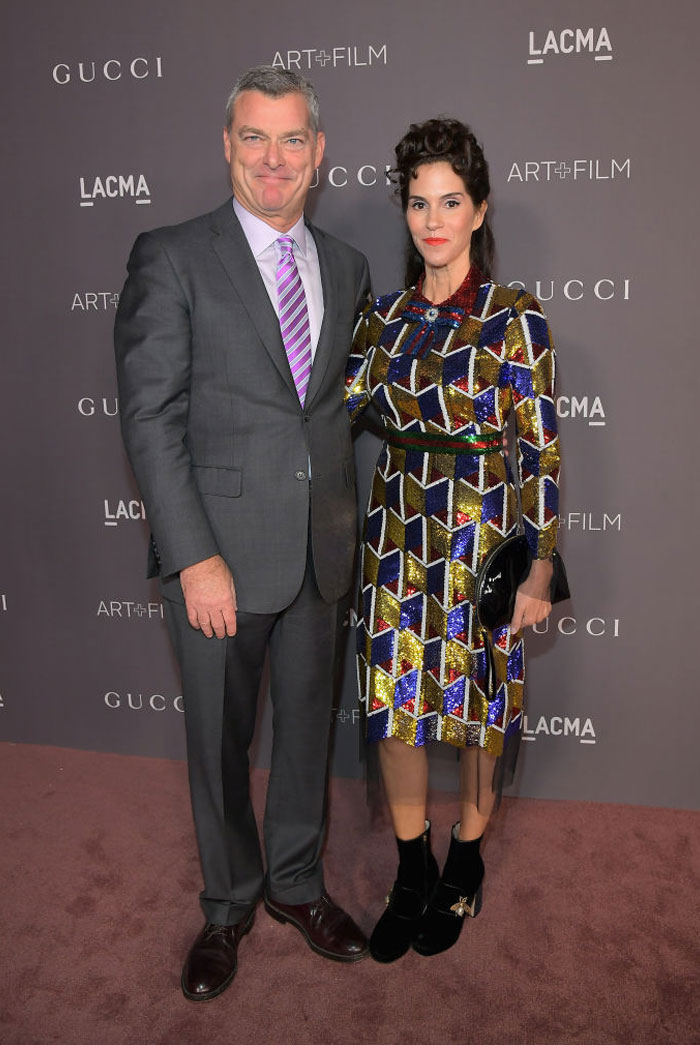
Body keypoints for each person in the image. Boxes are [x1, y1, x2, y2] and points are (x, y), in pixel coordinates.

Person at [114, 66, 372, 1000]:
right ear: (227, 145)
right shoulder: (171, 254)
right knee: (221, 742)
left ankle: (296, 884)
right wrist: (193, 555)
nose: (274, 159)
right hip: (218, 555)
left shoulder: (345, 266)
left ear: (319, 152)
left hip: (322, 548)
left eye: (292, 139)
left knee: (306, 731)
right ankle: (227, 901)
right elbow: (150, 416)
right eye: (255, 138)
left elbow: (336, 411)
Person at [346, 117, 560, 962]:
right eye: (417, 202)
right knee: (396, 713)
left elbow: (540, 449)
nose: (433, 220)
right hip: (396, 532)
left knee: (478, 712)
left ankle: (465, 859)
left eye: (451, 201)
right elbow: (330, 402)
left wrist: (540, 566)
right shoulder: (383, 319)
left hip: (481, 541)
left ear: (479, 209)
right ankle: (411, 868)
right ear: (405, 212)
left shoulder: (517, 318)